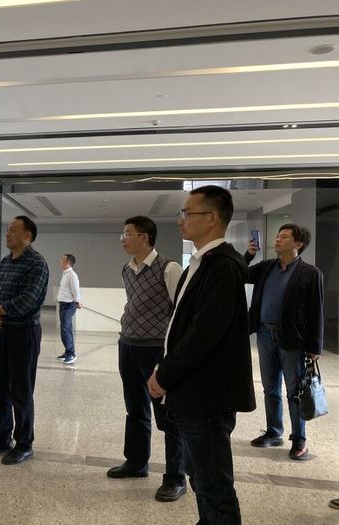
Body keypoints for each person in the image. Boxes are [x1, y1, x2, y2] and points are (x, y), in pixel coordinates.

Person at [147, 186, 255, 524]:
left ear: (211, 218)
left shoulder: (223, 266)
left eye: (187, 213)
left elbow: (203, 336)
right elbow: (180, 326)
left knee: (213, 483)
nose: (181, 220)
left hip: (207, 395)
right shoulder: (201, 262)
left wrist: (164, 376)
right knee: (201, 476)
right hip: (192, 391)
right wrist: (163, 367)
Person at [108, 216, 186, 503]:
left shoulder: (169, 269)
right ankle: (136, 463)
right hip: (128, 346)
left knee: (167, 416)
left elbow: (182, 312)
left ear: (145, 237)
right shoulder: (127, 269)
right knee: (135, 409)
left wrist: (170, 356)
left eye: (127, 233)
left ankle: (176, 477)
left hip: (155, 349)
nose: (123, 238)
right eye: (123, 233)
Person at [244, 224, 324, 460]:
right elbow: (240, 274)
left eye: (284, 237)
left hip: (292, 339)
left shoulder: (310, 273)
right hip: (264, 335)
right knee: (270, 388)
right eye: (278, 235)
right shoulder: (266, 267)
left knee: (295, 391)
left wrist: (315, 346)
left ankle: (299, 440)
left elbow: (316, 311)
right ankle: (274, 431)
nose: (278, 239)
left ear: (298, 244)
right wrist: (248, 255)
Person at [0, 216, 49, 465]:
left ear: (27, 236)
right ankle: (2, 437)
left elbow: (28, 300)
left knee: (20, 390)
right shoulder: (6, 261)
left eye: (13, 230)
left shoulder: (37, 263)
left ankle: (24, 443)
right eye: (7, 229)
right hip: (1, 333)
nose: (7, 233)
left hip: (24, 334)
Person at [56, 254, 82, 365]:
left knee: (65, 329)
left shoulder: (72, 275)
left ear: (68, 263)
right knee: (66, 328)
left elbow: (75, 289)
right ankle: (68, 352)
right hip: (63, 304)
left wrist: (77, 301)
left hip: (68, 305)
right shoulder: (65, 274)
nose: (60, 261)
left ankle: (71, 354)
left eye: (63, 259)